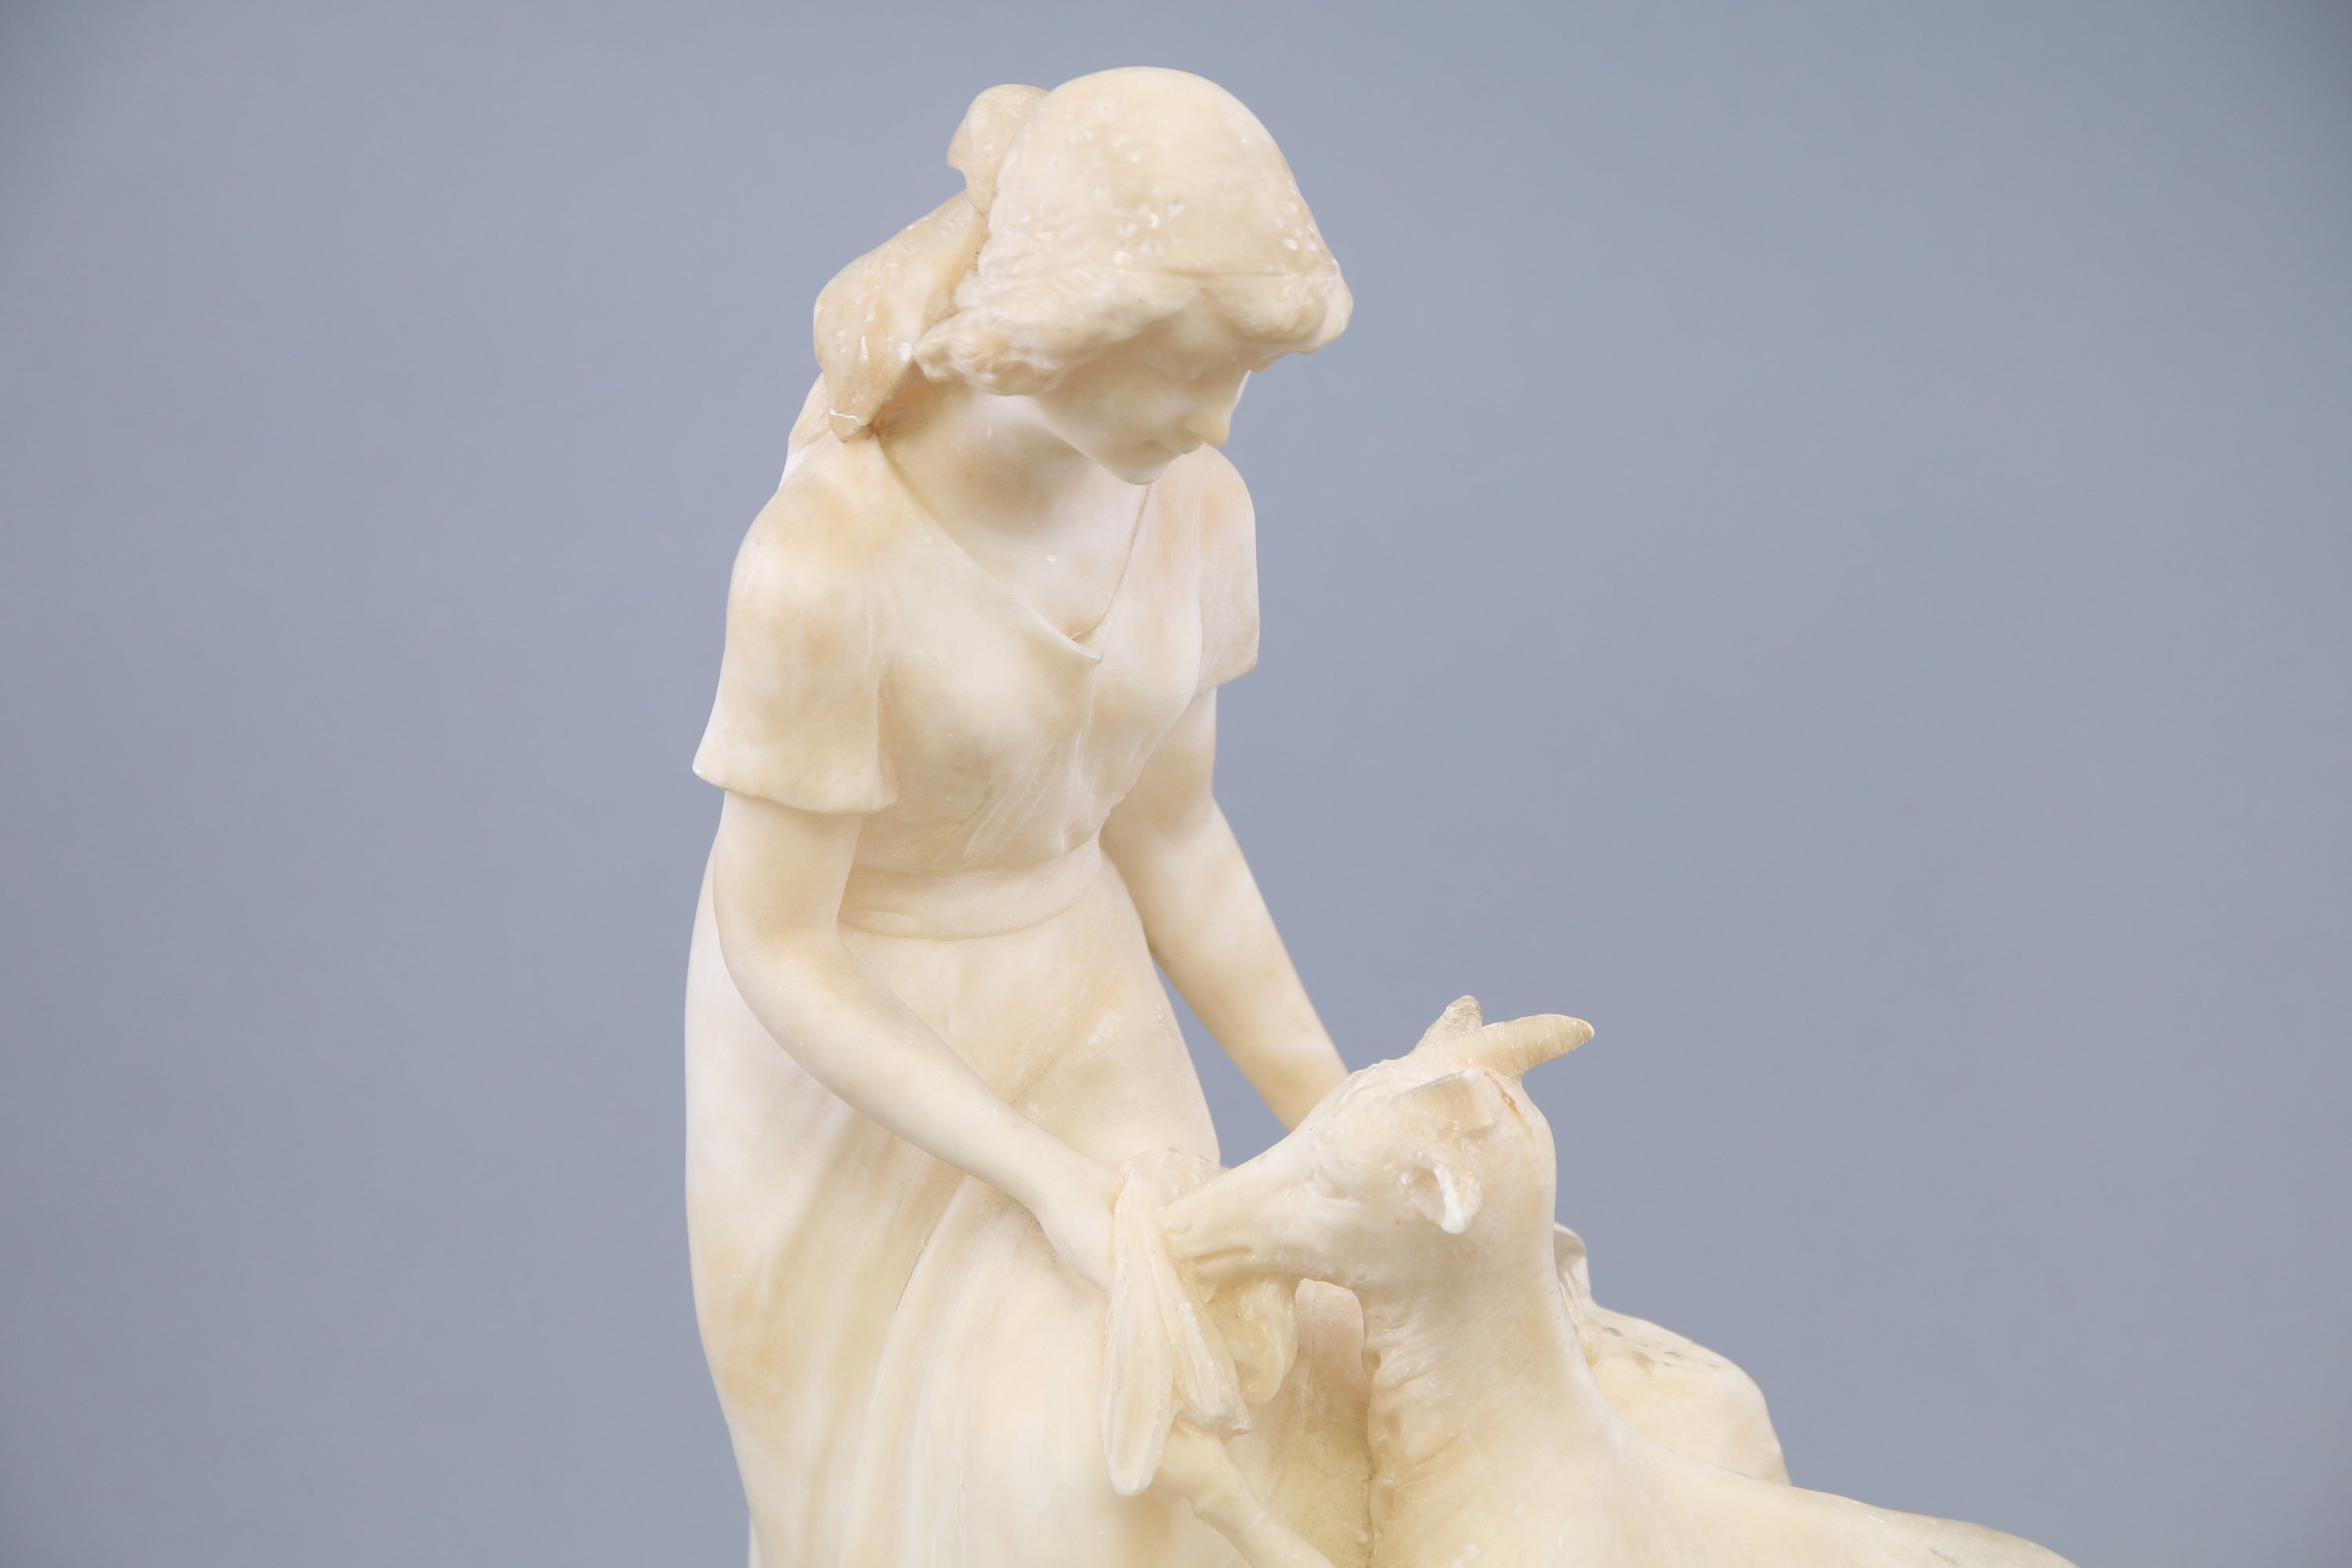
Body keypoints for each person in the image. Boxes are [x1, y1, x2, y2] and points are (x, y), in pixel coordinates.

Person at [684, 68, 1353, 1566]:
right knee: (945, 1508)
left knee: (1163, 1446)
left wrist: (1334, 1111)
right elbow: (778, 944)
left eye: (1244, 376)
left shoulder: (1195, 509)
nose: (1218, 422)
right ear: (1065, 332)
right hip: (852, 1065)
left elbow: (1173, 837)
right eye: (1188, 373)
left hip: (1083, 1004)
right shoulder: (826, 565)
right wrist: (1041, 1177)